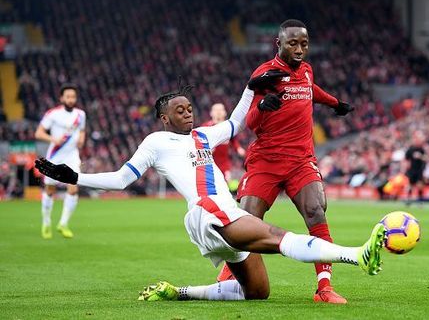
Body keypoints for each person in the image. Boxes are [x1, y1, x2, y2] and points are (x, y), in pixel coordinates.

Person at [35, 83, 385, 302]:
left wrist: (252, 89)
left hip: (218, 215)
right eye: (179, 111)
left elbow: (234, 122)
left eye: (189, 108)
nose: (187, 114)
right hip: (208, 211)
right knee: (276, 236)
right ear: (164, 119)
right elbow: (122, 178)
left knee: (258, 293)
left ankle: (180, 293)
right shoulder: (157, 142)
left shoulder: (203, 135)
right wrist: (75, 176)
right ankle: (357, 255)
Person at [218, 19, 354, 304]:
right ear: (278, 44)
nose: (300, 49)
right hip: (266, 161)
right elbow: (249, 120)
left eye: (304, 43)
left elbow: (311, 89)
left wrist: (334, 103)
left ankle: (324, 288)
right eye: (293, 43)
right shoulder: (265, 74)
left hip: (300, 160)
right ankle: (227, 279)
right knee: (246, 220)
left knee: (316, 211)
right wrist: (263, 107)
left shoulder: (305, 70)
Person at [34, 83, 86, 239]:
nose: (71, 99)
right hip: (55, 156)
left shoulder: (80, 114)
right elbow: (38, 133)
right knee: (50, 190)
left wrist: (81, 140)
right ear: (62, 98)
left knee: (73, 188)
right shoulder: (53, 114)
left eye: (73, 97)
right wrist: (52, 139)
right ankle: (46, 223)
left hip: (72, 156)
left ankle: (63, 224)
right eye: (68, 96)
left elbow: (82, 131)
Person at [202, 103, 245, 182]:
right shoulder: (205, 127)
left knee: (225, 182)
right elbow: (199, 143)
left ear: (225, 112)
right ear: (211, 113)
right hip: (209, 163)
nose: (218, 112)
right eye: (216, 110)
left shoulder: (229, 127)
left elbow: (234, 140)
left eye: (221, 110)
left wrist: (238, 148)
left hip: (224, 164)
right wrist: (206, 149)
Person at [404, 131, 426, 205]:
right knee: (410, 185)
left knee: (420, 186)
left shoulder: (421, 150)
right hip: (412, 170)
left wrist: (421, 157)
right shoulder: (410, 150)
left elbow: (426, 158)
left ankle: (420, 201)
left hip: (419, 170)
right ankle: (408, 200)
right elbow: (406, 160)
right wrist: (406, 168)